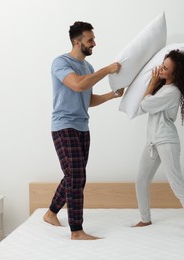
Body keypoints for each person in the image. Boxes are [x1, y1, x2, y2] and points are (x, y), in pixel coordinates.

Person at [43, 21, 124, 240]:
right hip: (64, 125)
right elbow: (77, 85)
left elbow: (86, 98)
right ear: (77, 42)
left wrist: (112, 95)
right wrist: (107, 70)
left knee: (74, 176)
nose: (94, 43)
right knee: (76, 175)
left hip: (82, 127)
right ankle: (76, 231)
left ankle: (51, 213)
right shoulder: (60, 63)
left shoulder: (88, 68)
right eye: (90, 40)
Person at [133, 50, 184, 238]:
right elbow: (145, 103)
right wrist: (155, 85)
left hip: (166, 141)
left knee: (176, 184)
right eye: (162, 65)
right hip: (153, 141)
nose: (160, 69)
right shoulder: (164, 88)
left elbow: (145, 105)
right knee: (141, 180)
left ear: (175, 73)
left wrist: (152, 82)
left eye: (165, 68)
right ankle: (145, 218)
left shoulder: (172, 91)